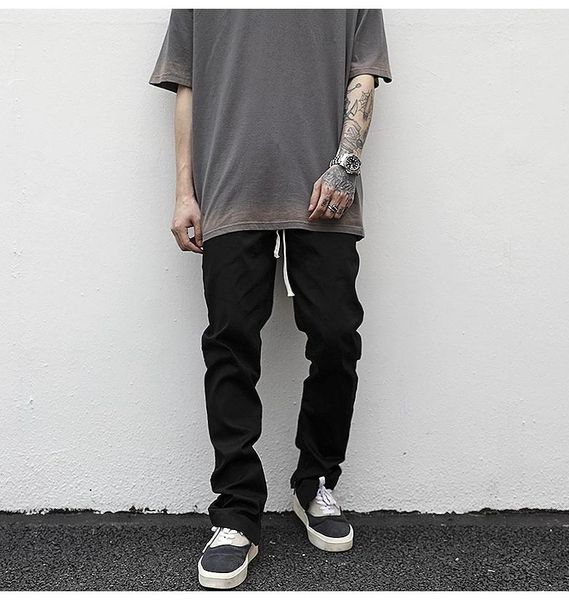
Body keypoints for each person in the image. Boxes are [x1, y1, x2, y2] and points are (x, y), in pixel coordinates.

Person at [149, 8, 391, 589]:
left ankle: (315, 481)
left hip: (325, 192)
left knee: (336, 336)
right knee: (230, 346)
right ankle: (236, 513)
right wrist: (183, 192)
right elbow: (186, 86)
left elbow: (363, 76)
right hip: (231, 189)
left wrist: (345, 167)